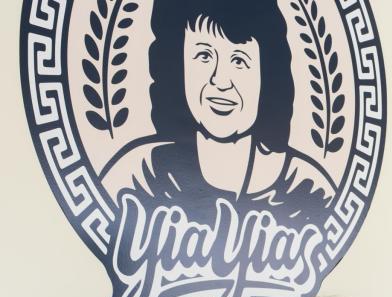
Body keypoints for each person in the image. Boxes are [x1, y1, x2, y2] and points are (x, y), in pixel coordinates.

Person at [100, 0, 336, 222]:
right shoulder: (138, 173)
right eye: (204, 56)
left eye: (239, 60)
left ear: (267, 75)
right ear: (177, 64)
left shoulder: (308, 187)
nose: (220, 80)